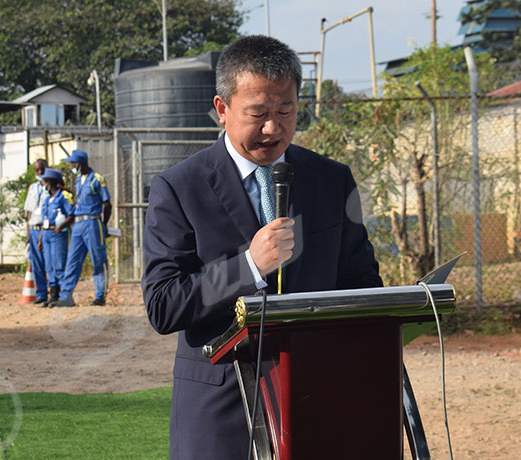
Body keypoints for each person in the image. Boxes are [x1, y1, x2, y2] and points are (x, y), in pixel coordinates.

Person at [141, 35, 382, 459]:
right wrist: (249, 266)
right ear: (222, 109)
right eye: (259, 114)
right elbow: (163, 304)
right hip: (221, 411)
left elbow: (360, 281)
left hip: (317, 400)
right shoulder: (179, 188)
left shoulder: (331, 180)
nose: (273, 127)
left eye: (285, 111)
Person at [51, 150, 111, 307]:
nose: (72, 166)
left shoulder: (97, 179)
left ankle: (100, 295)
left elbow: (107, 204)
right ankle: (66, 296)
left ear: (81, 163)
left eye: (74, 163)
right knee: (72, 260)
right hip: (78, 223)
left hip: (93, 222)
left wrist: (104, 225)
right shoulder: (78, 180)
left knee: (98, 259)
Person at [38, 168, 75, 307]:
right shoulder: (47, 200)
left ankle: (64, 295)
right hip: (47, 234)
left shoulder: (62, 197)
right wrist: (41, 239)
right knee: (49, 266)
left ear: (50, 183)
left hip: (58, 233)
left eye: (45, 182)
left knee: (59, 265)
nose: (43, 185)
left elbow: (72, 214)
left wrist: (61, 226)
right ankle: (53, 294)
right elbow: (44, 221)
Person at [23, 159, 49, 304]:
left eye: (41, 170)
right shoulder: (32, 188)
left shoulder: (51, 186)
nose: (39, 173)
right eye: (37, 170)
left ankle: (54, 293)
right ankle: (41, 293)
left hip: (45, 229)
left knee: (48, 263)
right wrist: (28, 234)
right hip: (34, 228)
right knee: (37, 263)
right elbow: (29, 212)